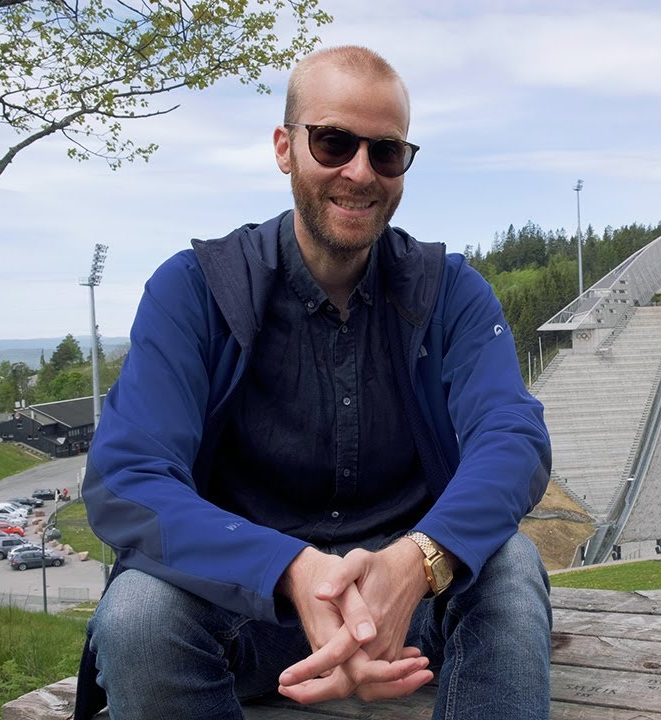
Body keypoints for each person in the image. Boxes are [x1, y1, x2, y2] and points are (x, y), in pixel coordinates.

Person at [73, 46, 553, 720]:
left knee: (510, 568)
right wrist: (292, 571)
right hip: (242, 604)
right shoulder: (193, 290)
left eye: (386, 152)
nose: (360, 172)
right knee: (139, 617)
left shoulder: (452, 293)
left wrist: (412, 565)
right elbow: (128, 477)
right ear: (284, 147)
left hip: (404, 611)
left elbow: (513, 438)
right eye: (334, 142)